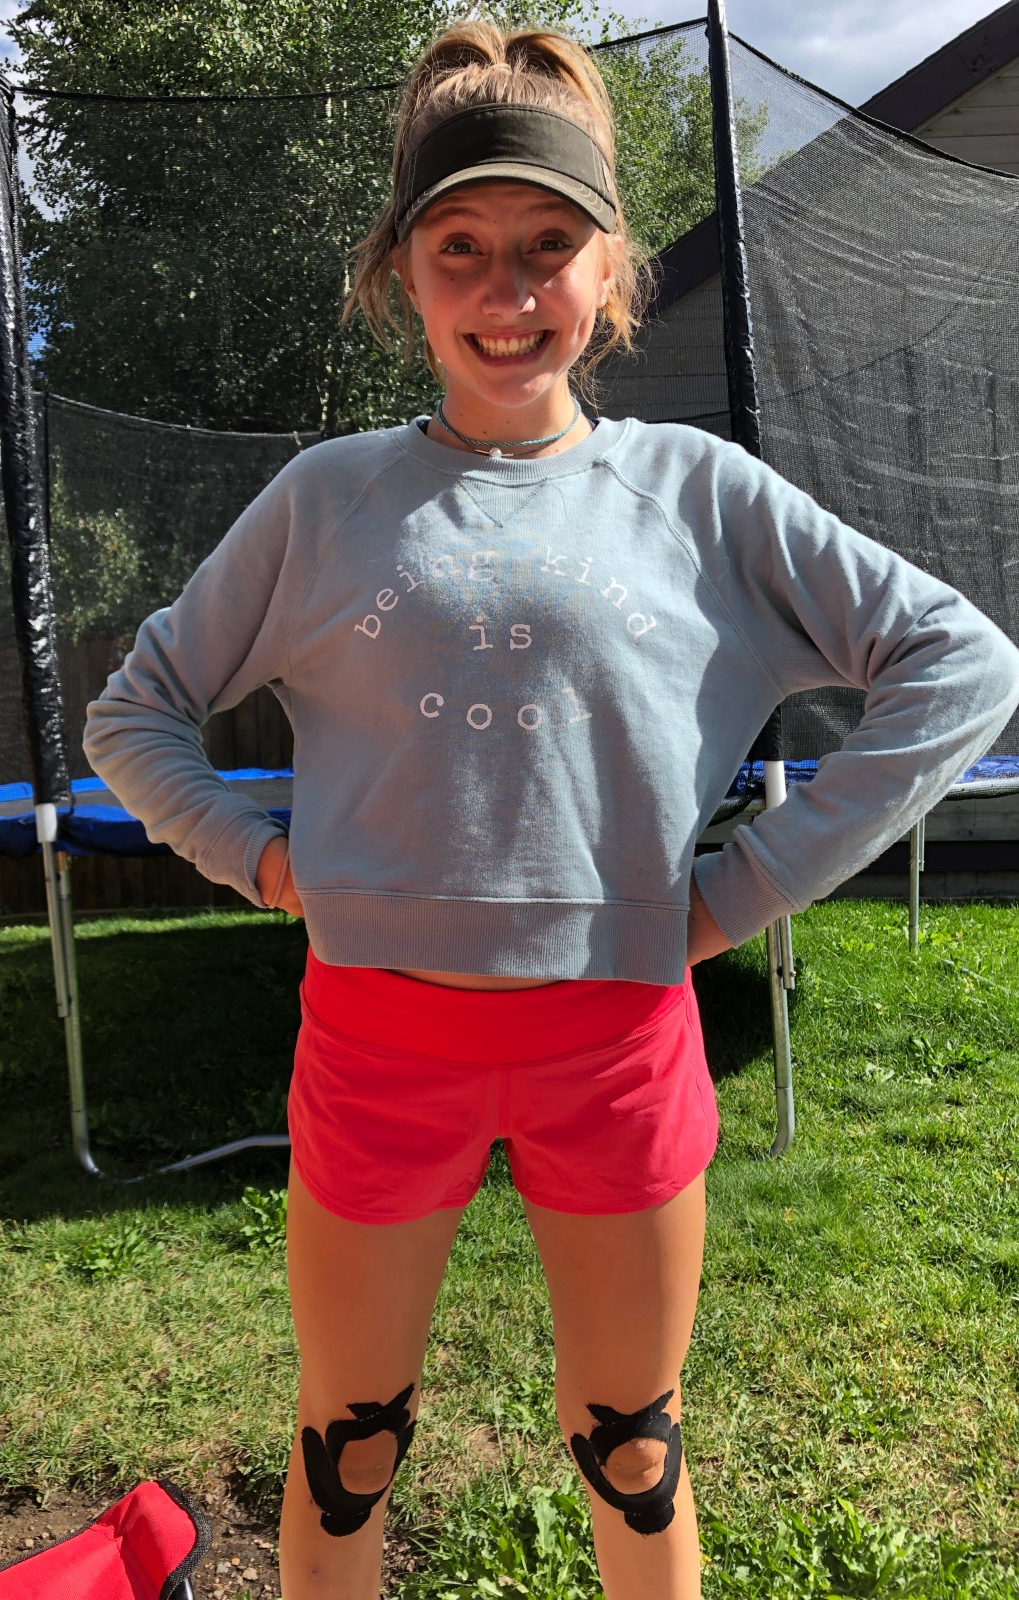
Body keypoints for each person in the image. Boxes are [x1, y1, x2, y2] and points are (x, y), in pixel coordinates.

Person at [82, 19, 1019, 1599]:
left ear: (611, 269)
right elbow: (134, 713)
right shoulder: (326, 500)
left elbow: (962, 663)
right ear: (401, 270)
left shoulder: (700, 493)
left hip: (621, 1041)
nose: (506, 290)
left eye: (548, 245)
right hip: (378, 1041)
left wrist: (742, 890)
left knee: (633, 1449)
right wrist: (258, 859)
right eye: (461, 246)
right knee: (347, 1442)